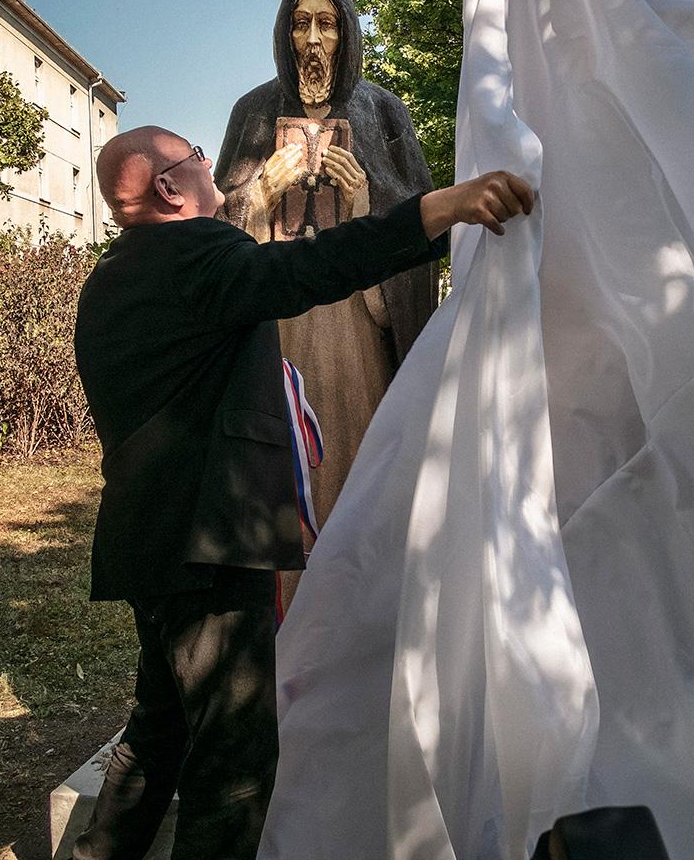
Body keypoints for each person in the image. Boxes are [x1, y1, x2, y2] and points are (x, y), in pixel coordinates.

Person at [70, 125, 533, 860]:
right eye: (194, 155)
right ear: (167, 187)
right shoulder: (193, 252)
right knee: (233, 765)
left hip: (149, 543)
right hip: (210, 547)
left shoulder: (110, 280)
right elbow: (308, 269)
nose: (205, 163)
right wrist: (437, 209)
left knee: (160, 730)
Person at [215, 0, 442, 609]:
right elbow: (220, 236)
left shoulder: (380, 111)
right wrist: (261, 195)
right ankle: (283, 631)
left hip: (357, 336)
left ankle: (362, 619)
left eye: (326, 24)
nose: (313, 40)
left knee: (356, 475)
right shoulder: (254, 113)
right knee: (280, 479)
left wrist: (368, 201)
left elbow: (420, 225)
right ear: (284, 35)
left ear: (346, 33)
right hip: (277, 335)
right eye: (300, 25)